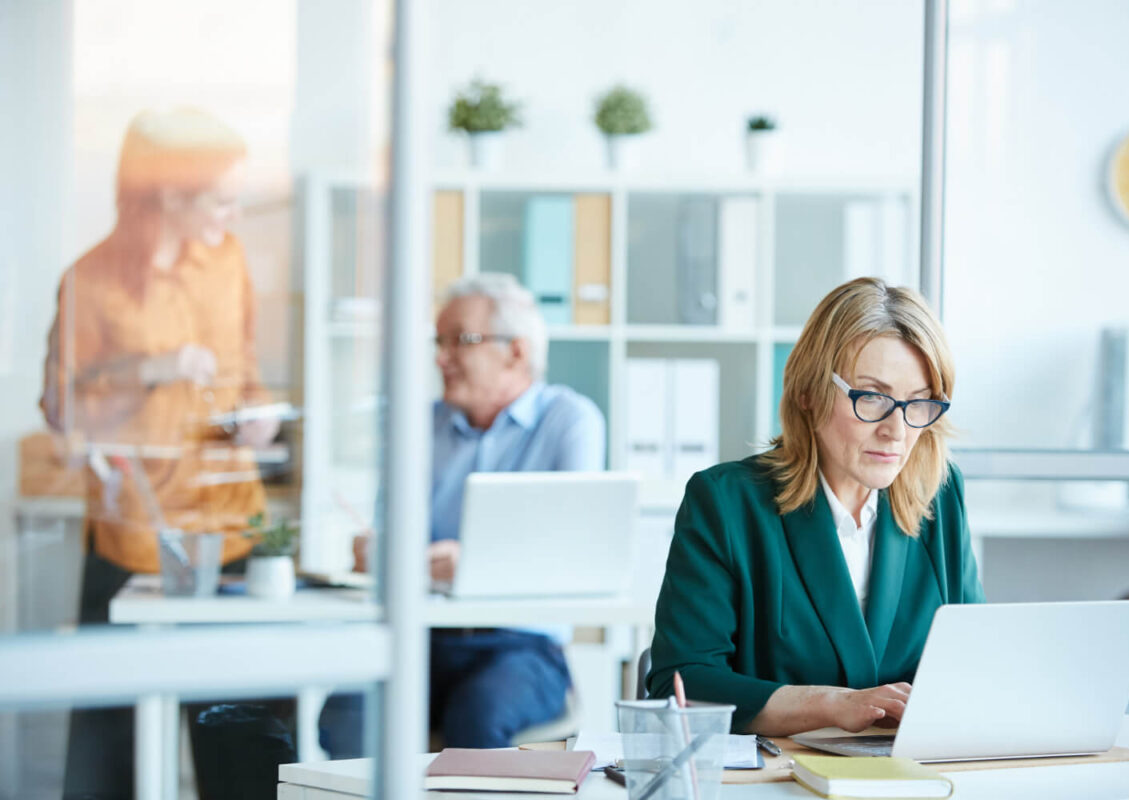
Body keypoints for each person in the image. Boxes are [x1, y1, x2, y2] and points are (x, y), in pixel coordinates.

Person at [41, 107, 280, 799]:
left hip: (232, 529)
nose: (234, 217)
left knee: (241, 748)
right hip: (134, 541)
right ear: (170, 195)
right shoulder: (89, 280)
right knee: (109, 755)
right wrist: (151, 367)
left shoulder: (228, 261)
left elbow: (246, 372)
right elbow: (63, 412)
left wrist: (256, 415)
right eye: (223, 199)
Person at [647, 277, 985, 735]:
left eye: (920, 403)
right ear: (808, 392)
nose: (897, 430)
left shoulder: (939, 494)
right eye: (872, 397)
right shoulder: (726, 503)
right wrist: (830, 705)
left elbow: (972, 658)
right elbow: (680, 683)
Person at [319, 272, 605, 755]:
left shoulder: (570, 421)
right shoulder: (420, 425)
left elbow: (571, 552)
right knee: (347, 712)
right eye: (439, 340)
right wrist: (378, 549)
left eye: (460, 340)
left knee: (479, 713)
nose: (440, 357)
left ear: (516, 351)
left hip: (523, 647)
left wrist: (473, 564)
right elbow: (391, 535)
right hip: (423, 638)